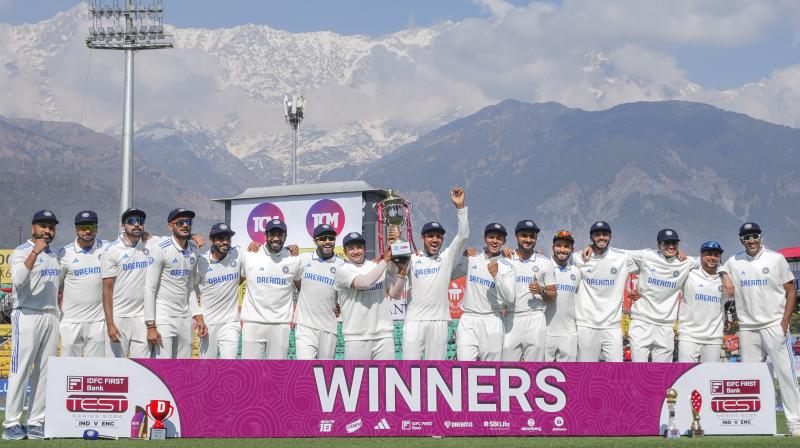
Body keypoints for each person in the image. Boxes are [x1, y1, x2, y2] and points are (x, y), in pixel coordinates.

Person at [723, 222, 800, 435]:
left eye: (754, 236)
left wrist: (784, 323)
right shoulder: (733, 261)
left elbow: (791, 292)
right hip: (747, 328)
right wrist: (725, 276)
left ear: (760, 236)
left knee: (786, 376)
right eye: (746, 237)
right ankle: (757, 425)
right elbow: (717, 267)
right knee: (751, 380)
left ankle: (796, 425)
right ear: (741, 240)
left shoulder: (776, 259)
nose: (751, 241)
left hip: (773, 325)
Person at [3, 210, 61, 440]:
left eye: (51, 227)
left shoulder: (57, 253)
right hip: (26, 314)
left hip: (50, 315)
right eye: (43, 226)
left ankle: (36, 422)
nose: (47, 231)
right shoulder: (21, 252)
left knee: (45, 372)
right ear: (33, 228)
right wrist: (35, 252)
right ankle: (11, 424)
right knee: (21, 369)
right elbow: (17, 279)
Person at [402, 187, 468, 360]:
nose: (435, 239)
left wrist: (460, 208)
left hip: (439, 321)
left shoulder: (447, 258)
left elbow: (463, 236)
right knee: (409, 370)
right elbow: (395, 270)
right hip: (414, 321)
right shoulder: (412, 259)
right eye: (430, 236)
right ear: (422, 238)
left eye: (438, 236)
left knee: (435, 371)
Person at [144, 208, 207, 359]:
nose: (185, 225)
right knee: (163, 368)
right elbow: (149, 289)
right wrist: (151, 325)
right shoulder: (160, 250)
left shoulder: (193, 249)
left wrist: (198, 316)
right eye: (180, 222)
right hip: (164, 316)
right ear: (170, 226)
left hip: (185, 318)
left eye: (188, 222)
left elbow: (190, 287)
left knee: (184, 369)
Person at [572, 221, 638, 362]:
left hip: (612, 326)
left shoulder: (623, 257)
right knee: (586, 372)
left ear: (611, 236)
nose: (601, 237)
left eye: (605, 234)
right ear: (591, 237)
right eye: (597, 234)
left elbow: (651, 260)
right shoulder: (578, 257)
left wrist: (677, 253)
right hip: (586, 325)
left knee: (615, 373)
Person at [335, 232, 406, 360]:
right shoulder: (343, 270)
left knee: (386, 380)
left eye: (359, 247)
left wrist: (402, 272)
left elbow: (395, 294)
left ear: (365, 249)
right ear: (345, 251)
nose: (355, 251)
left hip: (384, 336)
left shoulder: (376, 265)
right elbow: (365, 283)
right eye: (351, 248)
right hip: (355, 337)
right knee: (357, 380)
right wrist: (385, 260)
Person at [239, 219, 302, 359]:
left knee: (277, 374)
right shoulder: (250, 255)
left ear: (285, 236)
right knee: (250, 373)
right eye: (272, 234)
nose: (276, 238)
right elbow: (234, 284)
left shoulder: (294, 259)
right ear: (265, 235)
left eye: (280, 234)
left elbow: (303, 290)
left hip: (281, 325)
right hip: (252, 323)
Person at [495, 220, 557, 361]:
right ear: (516, 236)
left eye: (532, 236)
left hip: (535, 317)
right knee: (507, 367)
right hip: (511, 316)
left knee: (535, 367)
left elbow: (553, 295)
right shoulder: (505, 260)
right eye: (524, 235)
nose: (528, 240)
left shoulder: (545, 262)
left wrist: (541, 290)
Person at [102, 208, 153, 358]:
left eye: (140, 221)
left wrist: (193, 237)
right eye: (131, 221)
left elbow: (174, 239)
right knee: (115, 370)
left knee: (143, 369)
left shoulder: (150, 245)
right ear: (123, 225)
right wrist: (110, 324)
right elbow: (107, 290)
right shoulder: (111, 250)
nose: (136, 224)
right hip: (119, 318)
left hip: (142, 318)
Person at [58, 210, 108, 357]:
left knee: (96, 370)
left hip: (97, 322)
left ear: (97, 229)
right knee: (68, 370)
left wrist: (146, 238)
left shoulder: (108, 248)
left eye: (91, 227)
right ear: (76, 230)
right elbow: (57, 287)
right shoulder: (64, 254)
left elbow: (128, 242)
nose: (87, 231)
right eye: (82, 227)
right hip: (70, 322)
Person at [455, 223, 507, 361]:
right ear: (485, 239)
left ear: (504, 241)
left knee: (493, 370)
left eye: (499, 238)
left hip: (492, 319)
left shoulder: (508, 264)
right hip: (468, 319)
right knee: (464, 368)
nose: (495, 241)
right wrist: (461, 255)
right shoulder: (472, 259)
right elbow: (449, 273)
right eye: (491, 237)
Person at [293, 224, 344, 360]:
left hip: (329, 327)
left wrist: (341, 305)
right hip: (305, 326)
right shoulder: (303, 259)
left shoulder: (342, 264)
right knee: (305, 369)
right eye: (323, 238)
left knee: (325, 374)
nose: (327, 241)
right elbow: (296, 281)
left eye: (331, 238)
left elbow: (347, 293)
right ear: (315, 241)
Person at [194, 223, 242, 359]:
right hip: (207, 323)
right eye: (221, 238)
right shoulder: (201, 261)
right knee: (207, 370)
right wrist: (198, 319)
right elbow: (192, 291)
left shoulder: (237, 254)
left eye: (228, 238)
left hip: (230, 323)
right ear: (212, 240)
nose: (225, 242)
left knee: (229, 366)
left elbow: (242, 277)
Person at [676, 241, 727, 362]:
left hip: (713, 337)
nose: (712, 258)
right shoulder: (689, 273)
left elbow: (733, 292)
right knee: (685, 375)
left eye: (716, 255)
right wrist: (678, 252)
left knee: (710, 377)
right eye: (709, 254)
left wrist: (724, 273)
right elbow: (671, 266)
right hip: (689, 336)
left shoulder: (724, 280)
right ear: (701, 255)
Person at [545, 230, 581, 361]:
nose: (562, 249)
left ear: (572, 249)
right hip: (545, 332)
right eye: (559, 245)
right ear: (553, 247)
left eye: (566, 246)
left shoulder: (577, 272)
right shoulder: (544, 267)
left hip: (569, 334)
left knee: (569, 378)